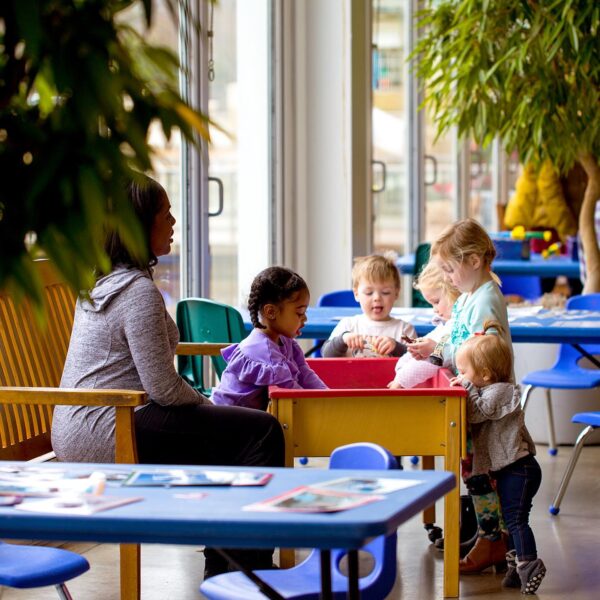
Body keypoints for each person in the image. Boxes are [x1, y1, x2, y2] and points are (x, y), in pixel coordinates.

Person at [51, 174, 285, 578]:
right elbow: (161, 386)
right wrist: (208, 403)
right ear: (139, 226)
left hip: (88, 424)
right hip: (112, 426)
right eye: (165, 214)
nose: (174, 221)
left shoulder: (104, 283)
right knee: (260, 431)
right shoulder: (136, 291)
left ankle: (232, 565)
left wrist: (208, 409)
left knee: (230, 435)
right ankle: (244, 573)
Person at [409, 218, 512, 573]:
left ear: (474, 261)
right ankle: (491, 534)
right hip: (472, 393)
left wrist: (441, 353)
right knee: (475, 469)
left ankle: (492, 541)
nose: (448, 278)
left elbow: (478, 351)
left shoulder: (485, 301)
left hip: (487, 400)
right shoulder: (472, 296)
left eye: (451, 270)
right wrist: (434, 347)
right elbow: (456, 337)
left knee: (483, 471)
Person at [451, 321, 546, 594]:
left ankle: (529, 564)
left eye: (464, 370)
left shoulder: (500, 391)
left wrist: (466, 388)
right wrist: (469, 385)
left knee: (516, 519)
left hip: (519, 469)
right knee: (509, 517)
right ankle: (516, 567)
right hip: (509, 470)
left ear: (485, 374)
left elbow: (478, 412)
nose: (461, 374)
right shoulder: (486, 387)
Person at [212, 266, 327, 410]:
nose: (304, 318)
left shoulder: (286, 342)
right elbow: (294, 394)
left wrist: (328, 396)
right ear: (271, 312)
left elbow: (305, 374)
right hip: (225, 420)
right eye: (299, 313)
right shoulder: (265, 352)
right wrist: (324, 407)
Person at [322, 253, 416, 358]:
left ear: (396, 293)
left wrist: (396, 347)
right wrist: (343, 339)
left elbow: (417, 360)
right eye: (368, 293)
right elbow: (326, 355)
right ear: (356, 294)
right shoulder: (348, 325)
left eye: (385, 292)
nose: (377, 298)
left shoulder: (404, 329)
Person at [388, 262, 460, 389]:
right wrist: (402, 365)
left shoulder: (457, 327)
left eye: (436, 302)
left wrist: (400, 381)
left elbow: (433, 360)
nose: (435, 310)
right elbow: (430, 341)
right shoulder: (447, 324)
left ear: (456, 291)